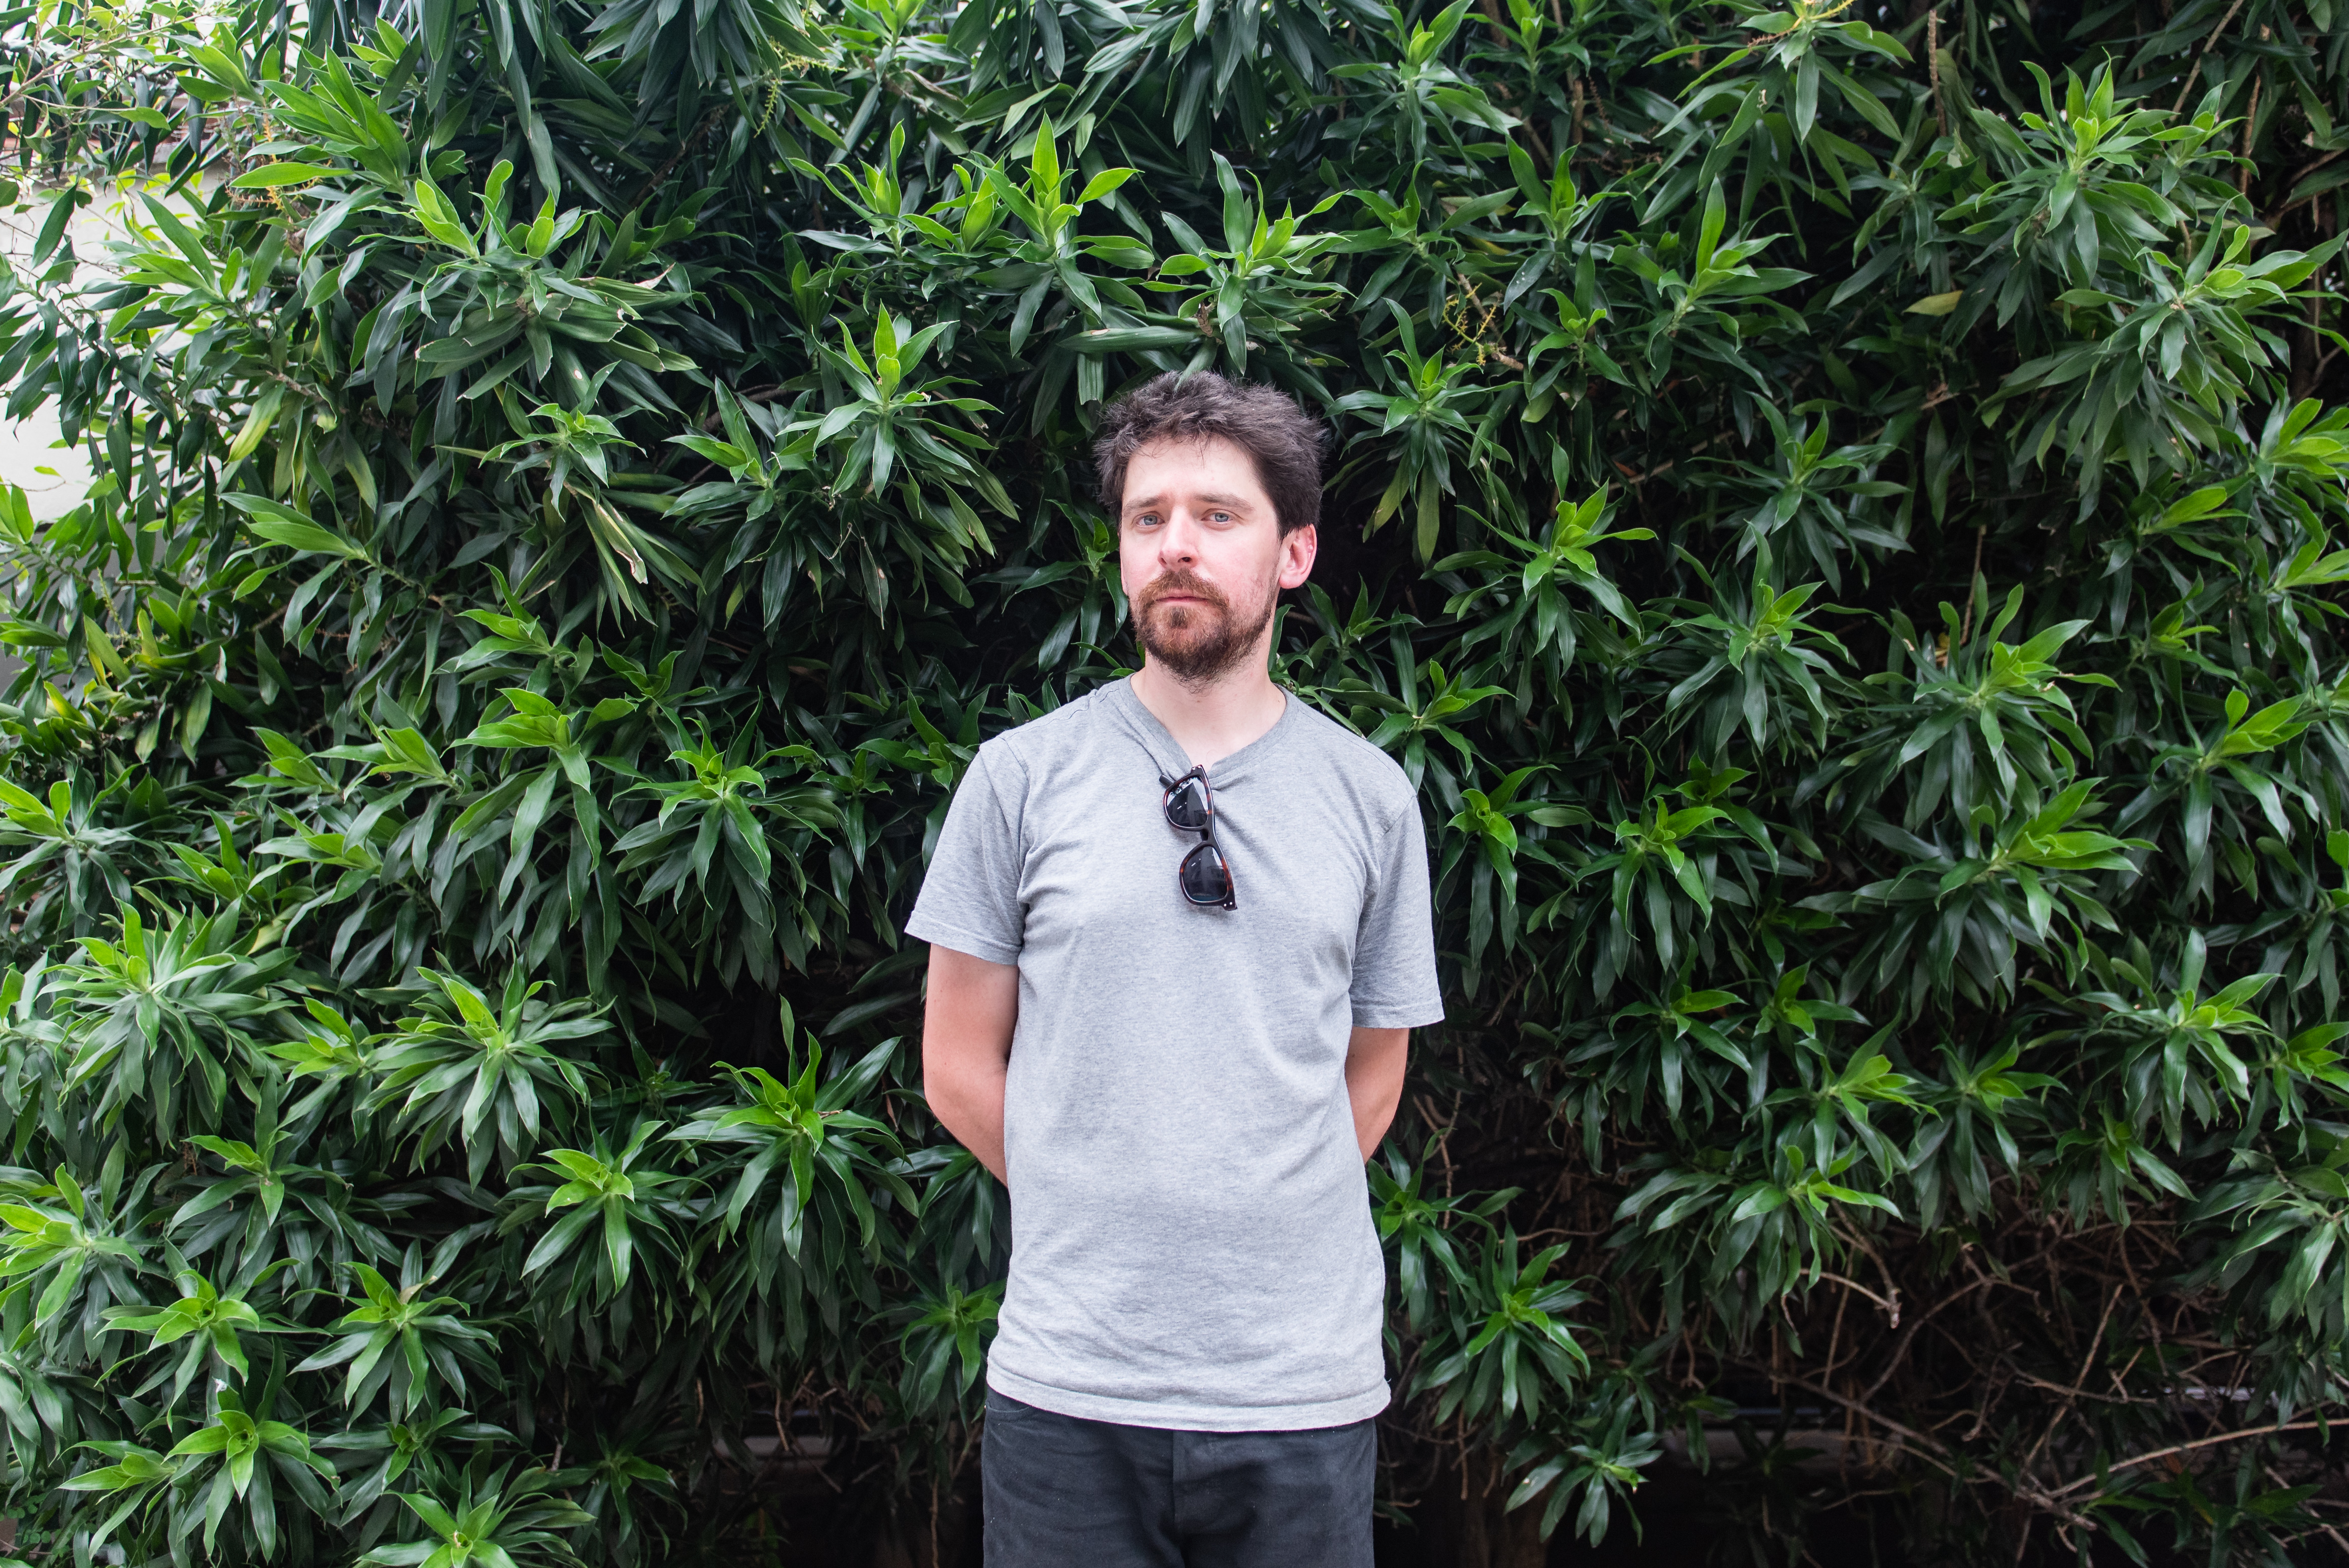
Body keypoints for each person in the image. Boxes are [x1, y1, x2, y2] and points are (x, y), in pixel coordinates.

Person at [906, 370, 1443, 1566]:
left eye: (1216, 515)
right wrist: (1100, 1199)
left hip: (1296, 1389)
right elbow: (954, 1063)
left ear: (1293, 553)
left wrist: (1242, 1207)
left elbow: (1371, 1073)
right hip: (1070, 1383)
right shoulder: (1019, 778)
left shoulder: (1369, 797)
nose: (1175, 546)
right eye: (1146, 518)